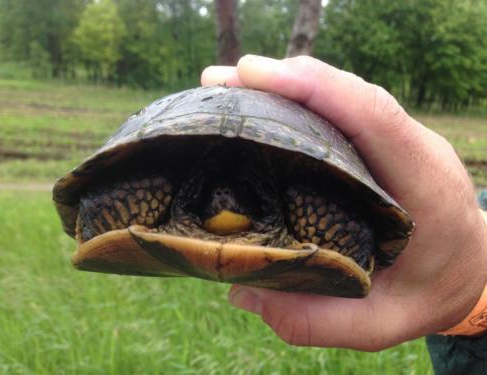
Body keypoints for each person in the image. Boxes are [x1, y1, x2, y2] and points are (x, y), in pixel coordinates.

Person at [200, 55, 487, 374]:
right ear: (194, 198)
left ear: (261, 198)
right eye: (212, 195)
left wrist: (476, 280)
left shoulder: (296, 201)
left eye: (238, 194)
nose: (224, 199)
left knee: (302, 197)